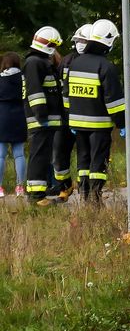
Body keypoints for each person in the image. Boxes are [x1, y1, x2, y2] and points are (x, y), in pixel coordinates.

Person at [67, 19, 126, 202]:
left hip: (77, 124)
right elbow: (113, 100)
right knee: (98, 160)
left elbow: (68, 94)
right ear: (108, 41)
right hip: (99, 125)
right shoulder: (106, 67)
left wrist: (71, 119)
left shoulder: (75, 64)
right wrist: (121, 122)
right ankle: (95, 197)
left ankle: (84, 195)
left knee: (83, 160)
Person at [22, 26, 64, 205]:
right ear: (49, 45)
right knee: (39, 155)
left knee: (43, 155)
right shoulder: (34, 63)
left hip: (46, 119)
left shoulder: (40, 62)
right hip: (41, 120)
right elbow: (35, 92)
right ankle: (36, 197)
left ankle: (38, 194)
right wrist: (41, 115)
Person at [52, 24, 92, 200]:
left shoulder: (95, 62)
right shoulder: (66, 61)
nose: (81, 44)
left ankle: (85, 188)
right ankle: (65, 186)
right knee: (59, 152)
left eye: (84, 40)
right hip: (65, 116)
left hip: (85, 116)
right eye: (79, 40)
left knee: (85, 155)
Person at [0, 52, 27, 197]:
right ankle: (20, 187)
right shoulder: (24, 78)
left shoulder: (1, 79)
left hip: (2, 116)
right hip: (19, 116)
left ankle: (0, 188)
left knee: (1, 155)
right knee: (19, 154)